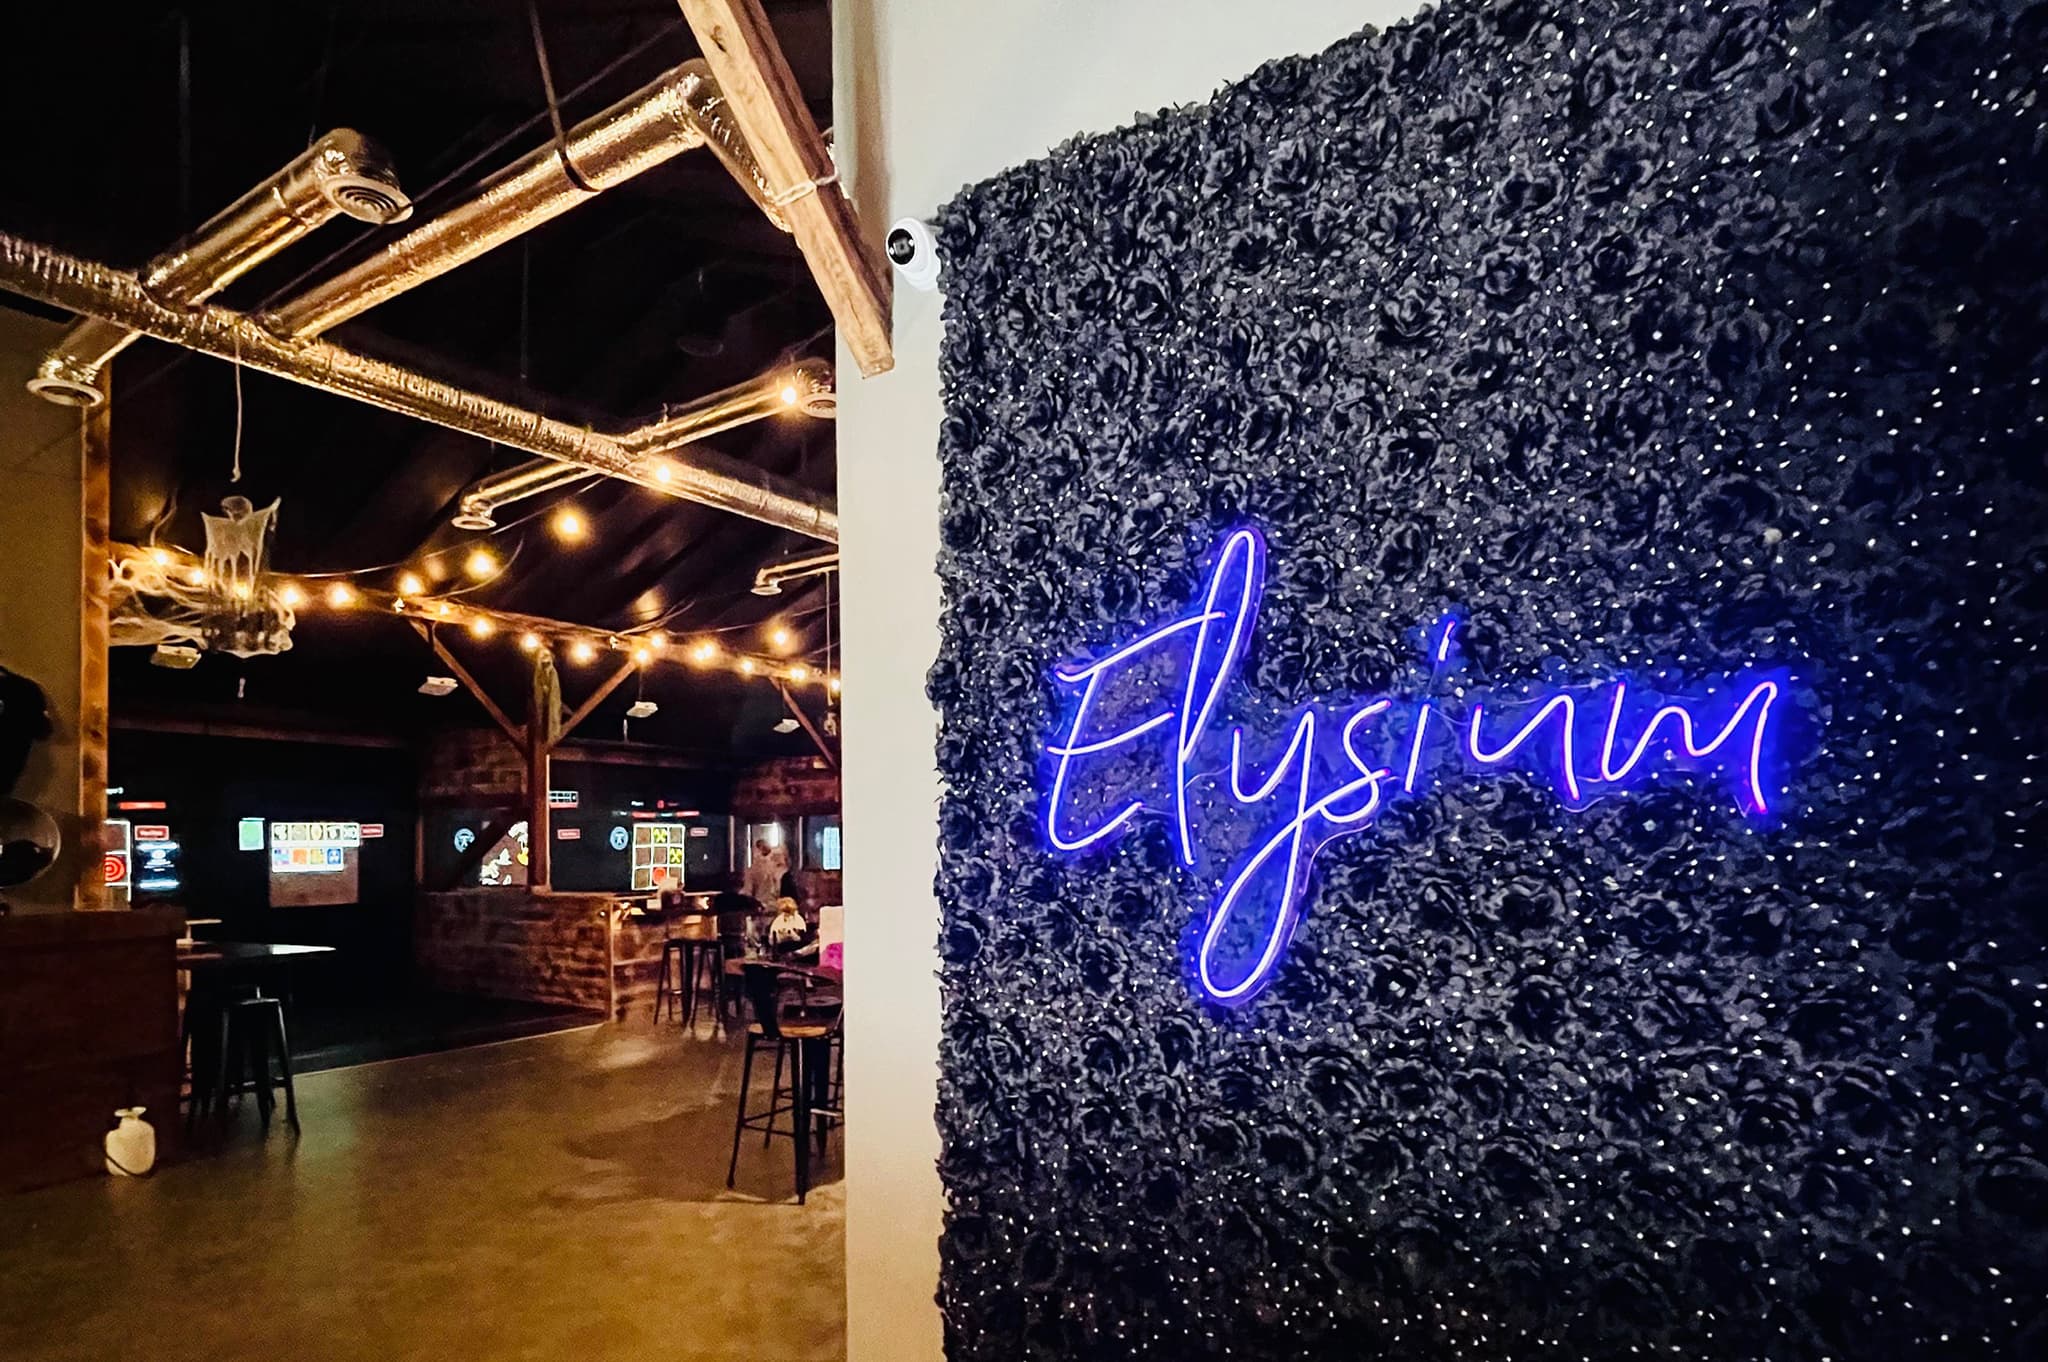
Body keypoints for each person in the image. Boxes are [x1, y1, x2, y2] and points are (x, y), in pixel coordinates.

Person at [741, 838, 782, 905]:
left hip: (764, 905)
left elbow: (748, 891)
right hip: (775, 905)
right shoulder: (755, 868)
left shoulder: (753, 869)